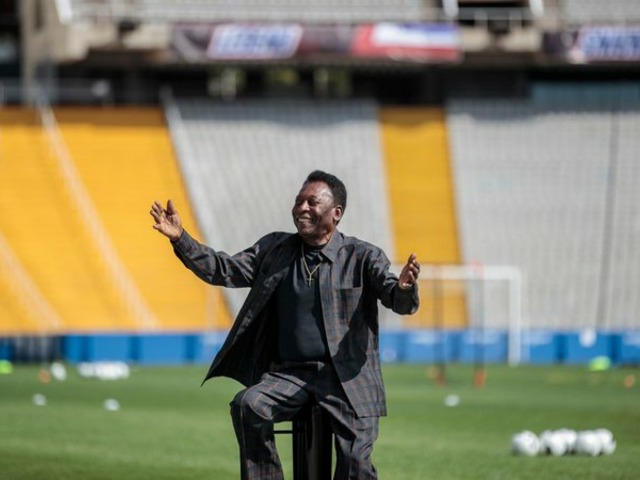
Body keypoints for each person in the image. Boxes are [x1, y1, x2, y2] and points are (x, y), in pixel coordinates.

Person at [150, 170, 420, 480]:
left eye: (312, 202)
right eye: (299, 201)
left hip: (347, 379)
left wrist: (404, 288)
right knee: (248, 405)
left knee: (356, 464)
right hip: (290, 374)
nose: (302, 207)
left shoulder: (363, 256)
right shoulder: (275, 249)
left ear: (336, 213)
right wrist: (181, 239)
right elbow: (224, 269)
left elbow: (398, 300)